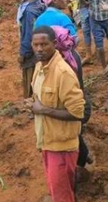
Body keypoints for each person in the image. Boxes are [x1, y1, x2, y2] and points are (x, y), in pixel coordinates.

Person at [30, 26, 85, 202]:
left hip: (61, 148)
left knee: (62, 196)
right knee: (60, 192)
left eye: (43, 44)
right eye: (35, 44)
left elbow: (77, 113)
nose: (39, 49)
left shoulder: (63, 73)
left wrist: (42, 110)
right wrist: (32, 105)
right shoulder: (39, 67)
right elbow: (39, 99)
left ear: (54, 44)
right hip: (47, 141)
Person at [18, 0, 46, 97]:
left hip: (32, 49)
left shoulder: (28, 11)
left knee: (30, 77)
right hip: (45, 44)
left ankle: (31, 103)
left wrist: (23, 53)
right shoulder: (43, 5)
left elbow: (28, 34)